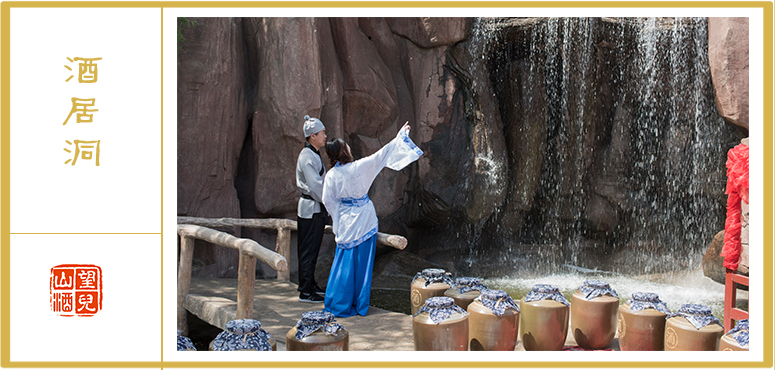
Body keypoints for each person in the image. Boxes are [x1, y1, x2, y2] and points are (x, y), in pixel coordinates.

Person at [322, 122, 423, 317]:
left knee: (343, 263)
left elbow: (328, 200)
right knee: (362, 266)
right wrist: (401, 135)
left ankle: (338, 302)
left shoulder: (332, 175)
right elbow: (382, 155)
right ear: (344, 151)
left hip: (345, 221)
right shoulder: (359, 167)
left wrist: (339, 218)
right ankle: (359, 304)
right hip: (364, 221)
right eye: (347, 146)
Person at [295, 115, 328, 303]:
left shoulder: (313, 154)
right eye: (322, 133)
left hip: (315, 207)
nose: (325, 136)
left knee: (312, 248)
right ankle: (305, 291)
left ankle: (309, 283)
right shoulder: (307, 156)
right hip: (311, 208)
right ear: (313, 136)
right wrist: (329, 200)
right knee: (308, 249)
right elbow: (316, 187)